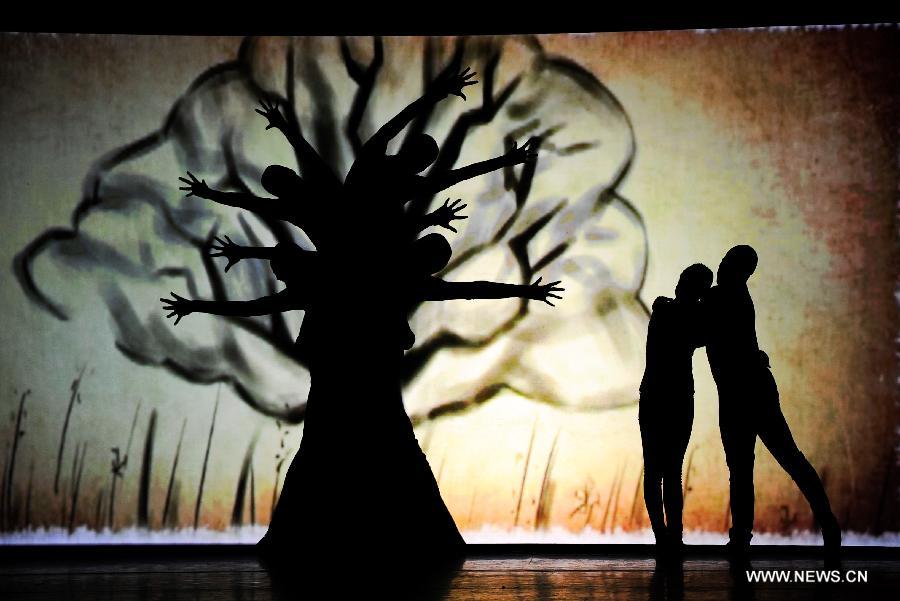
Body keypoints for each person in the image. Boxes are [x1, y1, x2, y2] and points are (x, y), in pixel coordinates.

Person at [703, 245, 840, 556]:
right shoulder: (735, 295)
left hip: (742, 395)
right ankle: (826, 522)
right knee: (786, 459)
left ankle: (741, 538)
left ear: (740, 270)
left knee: (744, 470)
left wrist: (668, 306)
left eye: (727, 262)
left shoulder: (718, 296)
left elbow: (697, 331)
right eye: (724, 260)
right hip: (754, 389)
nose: (721, 266)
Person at [639, 263, 712, 554]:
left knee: (660, 470)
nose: (680, 284)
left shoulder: (666, 309)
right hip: (673, 396)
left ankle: (666, 537)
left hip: (661, 396)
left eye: (687, 281)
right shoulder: (675, 312)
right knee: (667, 471)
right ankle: (670, 537)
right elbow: (702, 333)